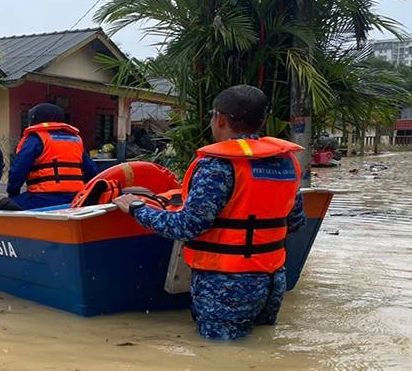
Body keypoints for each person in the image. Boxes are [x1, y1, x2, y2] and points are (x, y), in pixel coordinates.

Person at [113, 85, 305, 340]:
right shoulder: (286, 161)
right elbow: (295, 221)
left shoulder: (218, 165)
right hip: (272, 280)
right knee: (258, 352)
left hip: (226, 285)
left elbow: (186, 226)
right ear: (261, 121)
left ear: (221, 119)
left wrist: (137, 208)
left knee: (220, 359)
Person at [7, 103, 98, 209]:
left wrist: (12, 192)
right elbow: (92, 172)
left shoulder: (35, 138)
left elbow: (18, 170)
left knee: (2, 207)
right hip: (75, 198)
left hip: (42, 198)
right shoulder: (76, 140)